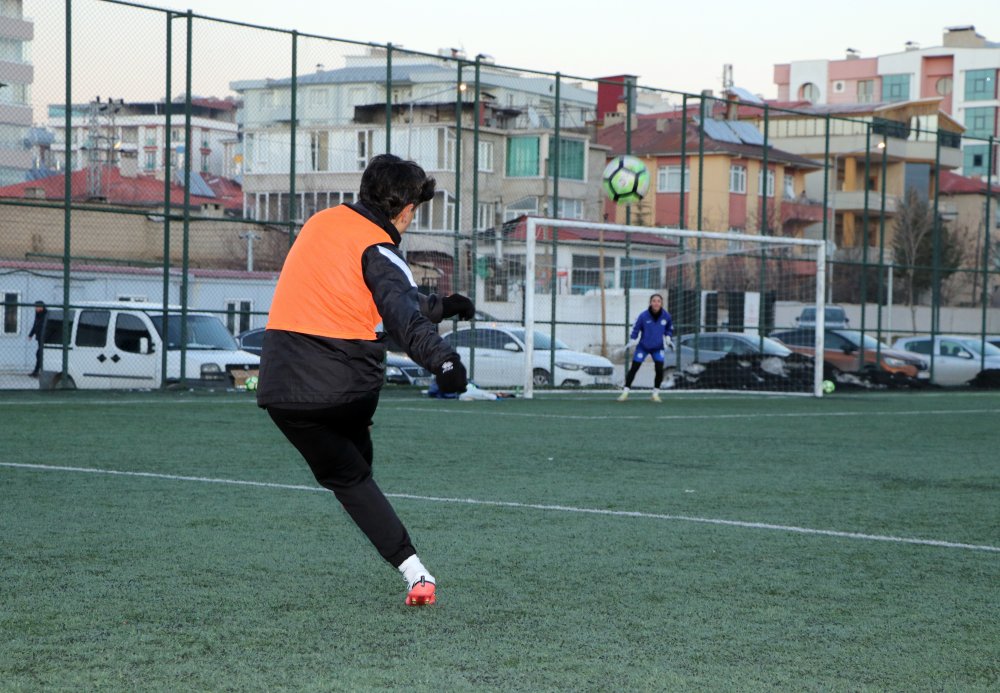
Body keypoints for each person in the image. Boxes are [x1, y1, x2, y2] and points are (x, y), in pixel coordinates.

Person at [256, 154, 475, 607]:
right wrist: (445, 361)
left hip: (281, 390)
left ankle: (413, 571)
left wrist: (445, 306)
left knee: (350, 478)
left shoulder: (321, 224)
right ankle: (414, 568)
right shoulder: (379, 246)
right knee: (357, 466)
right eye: (415, 207)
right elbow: (400, 314)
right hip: (343, 384)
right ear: (405, 208)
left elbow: (381, 294)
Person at [617, 293, 673, 402]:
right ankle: (625, 392)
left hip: (658, 348)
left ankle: (655, 394)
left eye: (658, 301)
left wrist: (668, 336)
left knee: (659, 370)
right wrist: (633, 339)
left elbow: (669, 329)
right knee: (634, 368)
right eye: (654, 301)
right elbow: (636, 328)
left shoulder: (666, 316)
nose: (656, 303)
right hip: (643, 347)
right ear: (650, 302)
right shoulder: (643, 316)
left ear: (661, 303)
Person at [27, 300, 47, 377]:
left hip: (44, 338)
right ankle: (36, 372)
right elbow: (35, 325)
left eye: (37, 307)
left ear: (41, 307)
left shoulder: (45, 314)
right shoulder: (38, 314)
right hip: (39, 338)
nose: (35, 308)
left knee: (39, 354)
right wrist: (31, 335)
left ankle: (37, 371)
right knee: (39, 354)